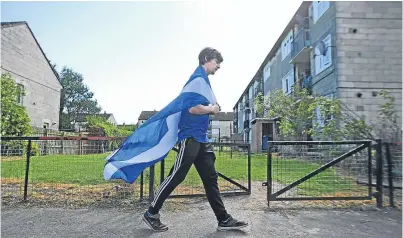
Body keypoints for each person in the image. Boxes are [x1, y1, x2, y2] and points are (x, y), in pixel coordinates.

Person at [142, 47, 248, 232]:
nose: (218, 67)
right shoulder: (197, 79)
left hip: (201, 138)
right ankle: (151, 213)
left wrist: (211, 107)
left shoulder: (204, 81)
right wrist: (212, 109)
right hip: (190, 136)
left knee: (211, 178)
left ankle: (223, 219)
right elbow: (192, 108)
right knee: (177, 175)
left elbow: (200, 106)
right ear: (207, 59)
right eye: (216, 62)